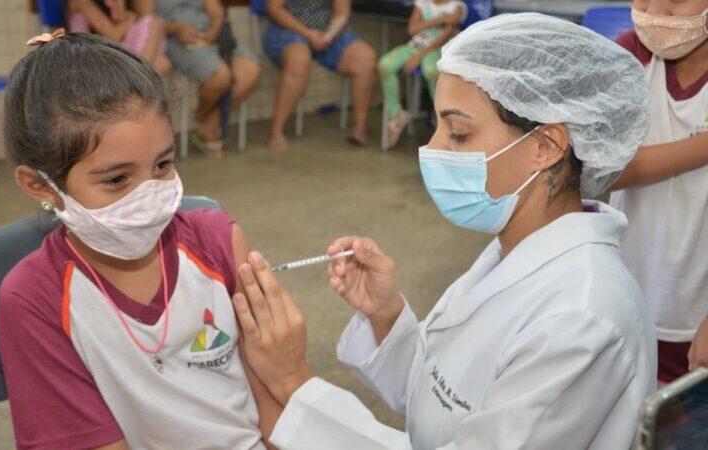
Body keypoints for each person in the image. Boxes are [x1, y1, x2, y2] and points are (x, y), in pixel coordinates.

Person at [229, 14, 657, 449]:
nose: (432, 149)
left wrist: (294, 383)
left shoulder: (582, 317)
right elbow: (442, 395)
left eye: (458, 133)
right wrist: (386, 316)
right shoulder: (515, 251)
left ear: (545, 147)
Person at [0, 32, 281, 449]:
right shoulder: (34, 298)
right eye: (116, 179)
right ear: (41, 186)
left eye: (163, 164)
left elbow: (275, 410)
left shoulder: (220, 242)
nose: (150, 195)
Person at [609, 0, 708, 384]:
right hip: (627, 295)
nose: (656, 10)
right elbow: (601, 171)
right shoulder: (629, 56)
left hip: (695, 317)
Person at [264, 0, 377, 152]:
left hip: (325, 30)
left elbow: (343, 12)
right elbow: (275, 9)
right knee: (299, 59)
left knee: (365, 58)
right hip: (287, 29)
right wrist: (308, 34)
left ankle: (359, 127)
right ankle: (276, 132)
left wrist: (328, 36)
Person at [158, 0, 260, 157]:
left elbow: (216, 12)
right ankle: (209, 125)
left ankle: (205, 117)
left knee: (250, 70)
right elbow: (144, 21)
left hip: (208, 36)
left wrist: (214, 29)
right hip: (173, 40)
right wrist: (176, 28)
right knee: (220, 75)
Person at [379, 0, 466, 148]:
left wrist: (419, 56)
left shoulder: (457, 6)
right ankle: (397, 115)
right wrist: (439, 19)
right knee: (385, 65)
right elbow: (412, 30)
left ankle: (442, 119)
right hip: (414, 47)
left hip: (438, 50)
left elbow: (446, 33)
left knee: (432, 70)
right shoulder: (422, 3)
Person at [66, 0, 171, 75]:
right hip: (89, 55)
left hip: (112, 49)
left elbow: (119, 18)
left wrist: (118, 4)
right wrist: (130, 19)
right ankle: (138, 75)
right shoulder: (81, 2)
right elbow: (113, 35)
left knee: (162, 62)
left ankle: (138, 74)